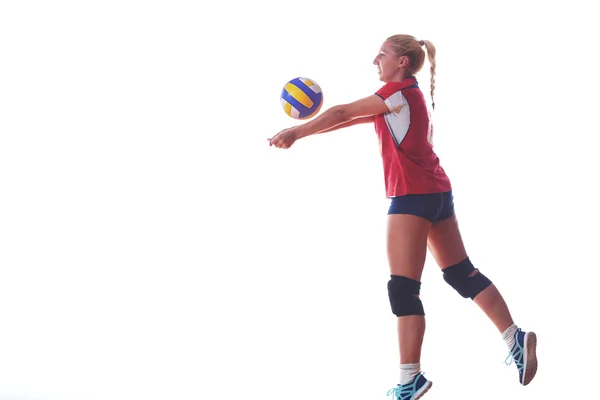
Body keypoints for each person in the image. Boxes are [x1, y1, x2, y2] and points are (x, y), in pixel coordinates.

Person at [268, 34, 537, 400]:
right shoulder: (405, 96)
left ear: (402, 63)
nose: (374, 61)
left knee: (403, 289)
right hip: (438, 195)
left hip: (412, 198)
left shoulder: (395, 95)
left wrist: (297, 130)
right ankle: (514, 337)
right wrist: (300, 135)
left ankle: (410, 378)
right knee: (461, 274)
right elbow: (347, 120)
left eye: (382, 55)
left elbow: (344, 111)